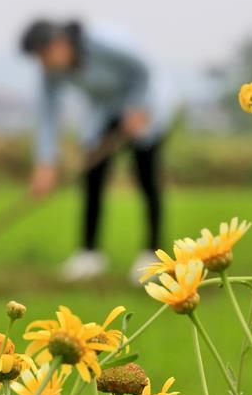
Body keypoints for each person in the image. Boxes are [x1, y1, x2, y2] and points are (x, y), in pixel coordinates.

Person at [20, 19, 176, 281]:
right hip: (104, 110)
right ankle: (89, 255)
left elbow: (143, 71)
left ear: (59, 44)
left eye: (43, 55)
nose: (42, 63)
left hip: (147, 101)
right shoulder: (51, 71)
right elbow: (47, 115)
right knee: (92, 177)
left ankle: (153, 254)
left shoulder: (101, 45)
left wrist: (137, 108)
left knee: (146, 176)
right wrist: (45, 163)